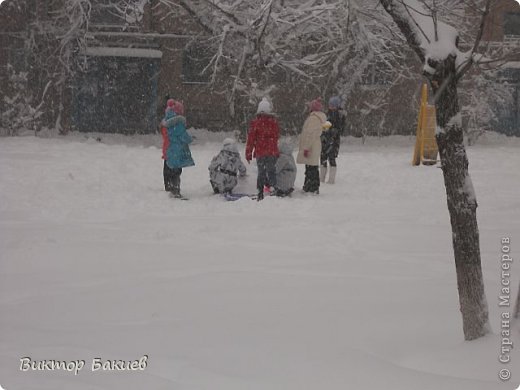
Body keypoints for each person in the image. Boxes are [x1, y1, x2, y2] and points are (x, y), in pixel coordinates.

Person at [245, 97, 280, 200]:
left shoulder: (256, 123)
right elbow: (277, 136)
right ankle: (273, 188)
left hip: (260, 151)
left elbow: (251, 139)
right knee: (271, 170)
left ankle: (260, 191)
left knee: (261, 172)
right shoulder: (274, 122)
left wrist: (248, 153)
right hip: (272, 151)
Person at [161, 99, 195, 198]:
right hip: (177, 150)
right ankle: (175, 189)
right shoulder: (178, 123)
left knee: (169, 169)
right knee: (177, 171)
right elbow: (183, 135)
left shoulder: (166, 122)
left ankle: (169, 186)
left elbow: (167, 135)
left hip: (169, 149)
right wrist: (190, 139)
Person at [296, 98, 330, 194]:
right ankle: (312, 187)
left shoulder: (313, 119)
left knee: (310, 168)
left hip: (311, 146)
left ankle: (310, 187)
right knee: (313, 167)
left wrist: (306, 148)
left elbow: (310, 134)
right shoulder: (322, 118)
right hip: (316, 145)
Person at [320, 96, 346, 184]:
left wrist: (332, 131)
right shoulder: (327, 114)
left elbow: (340, 129)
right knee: (323, 158)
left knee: (331, 159)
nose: (330, 107)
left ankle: (331, 179)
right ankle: (322, 178)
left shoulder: (340, 115)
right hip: (325, 140)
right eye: (330, 105)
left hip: (333, 141)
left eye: (332, 105)